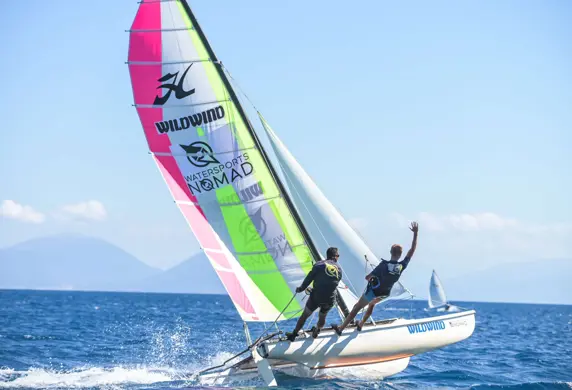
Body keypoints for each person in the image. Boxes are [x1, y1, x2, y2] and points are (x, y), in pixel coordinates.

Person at [332, 222, 419, 335]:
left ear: (390, 252)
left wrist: (370, 278)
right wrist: (415, 234)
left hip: (374, 292)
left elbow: (368, 277)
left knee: (356, 307)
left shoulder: (383, 265)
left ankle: (341, 328)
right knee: (372, 304)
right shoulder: (401, 266)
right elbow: (412, 250)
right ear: (401, 254)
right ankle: (361, 324)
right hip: (385, 293)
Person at [285, 247, 343, 341]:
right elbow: (333, 283)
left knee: (305, 315)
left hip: (316, 297)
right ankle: (318, 329)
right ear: (336, 256)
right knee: (322, 316)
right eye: (338, 255)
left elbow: (309, 278)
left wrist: (301, 288)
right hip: (330, 299)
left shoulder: (319, 265)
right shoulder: (339, 269)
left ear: (327, 255)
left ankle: (294, 334)